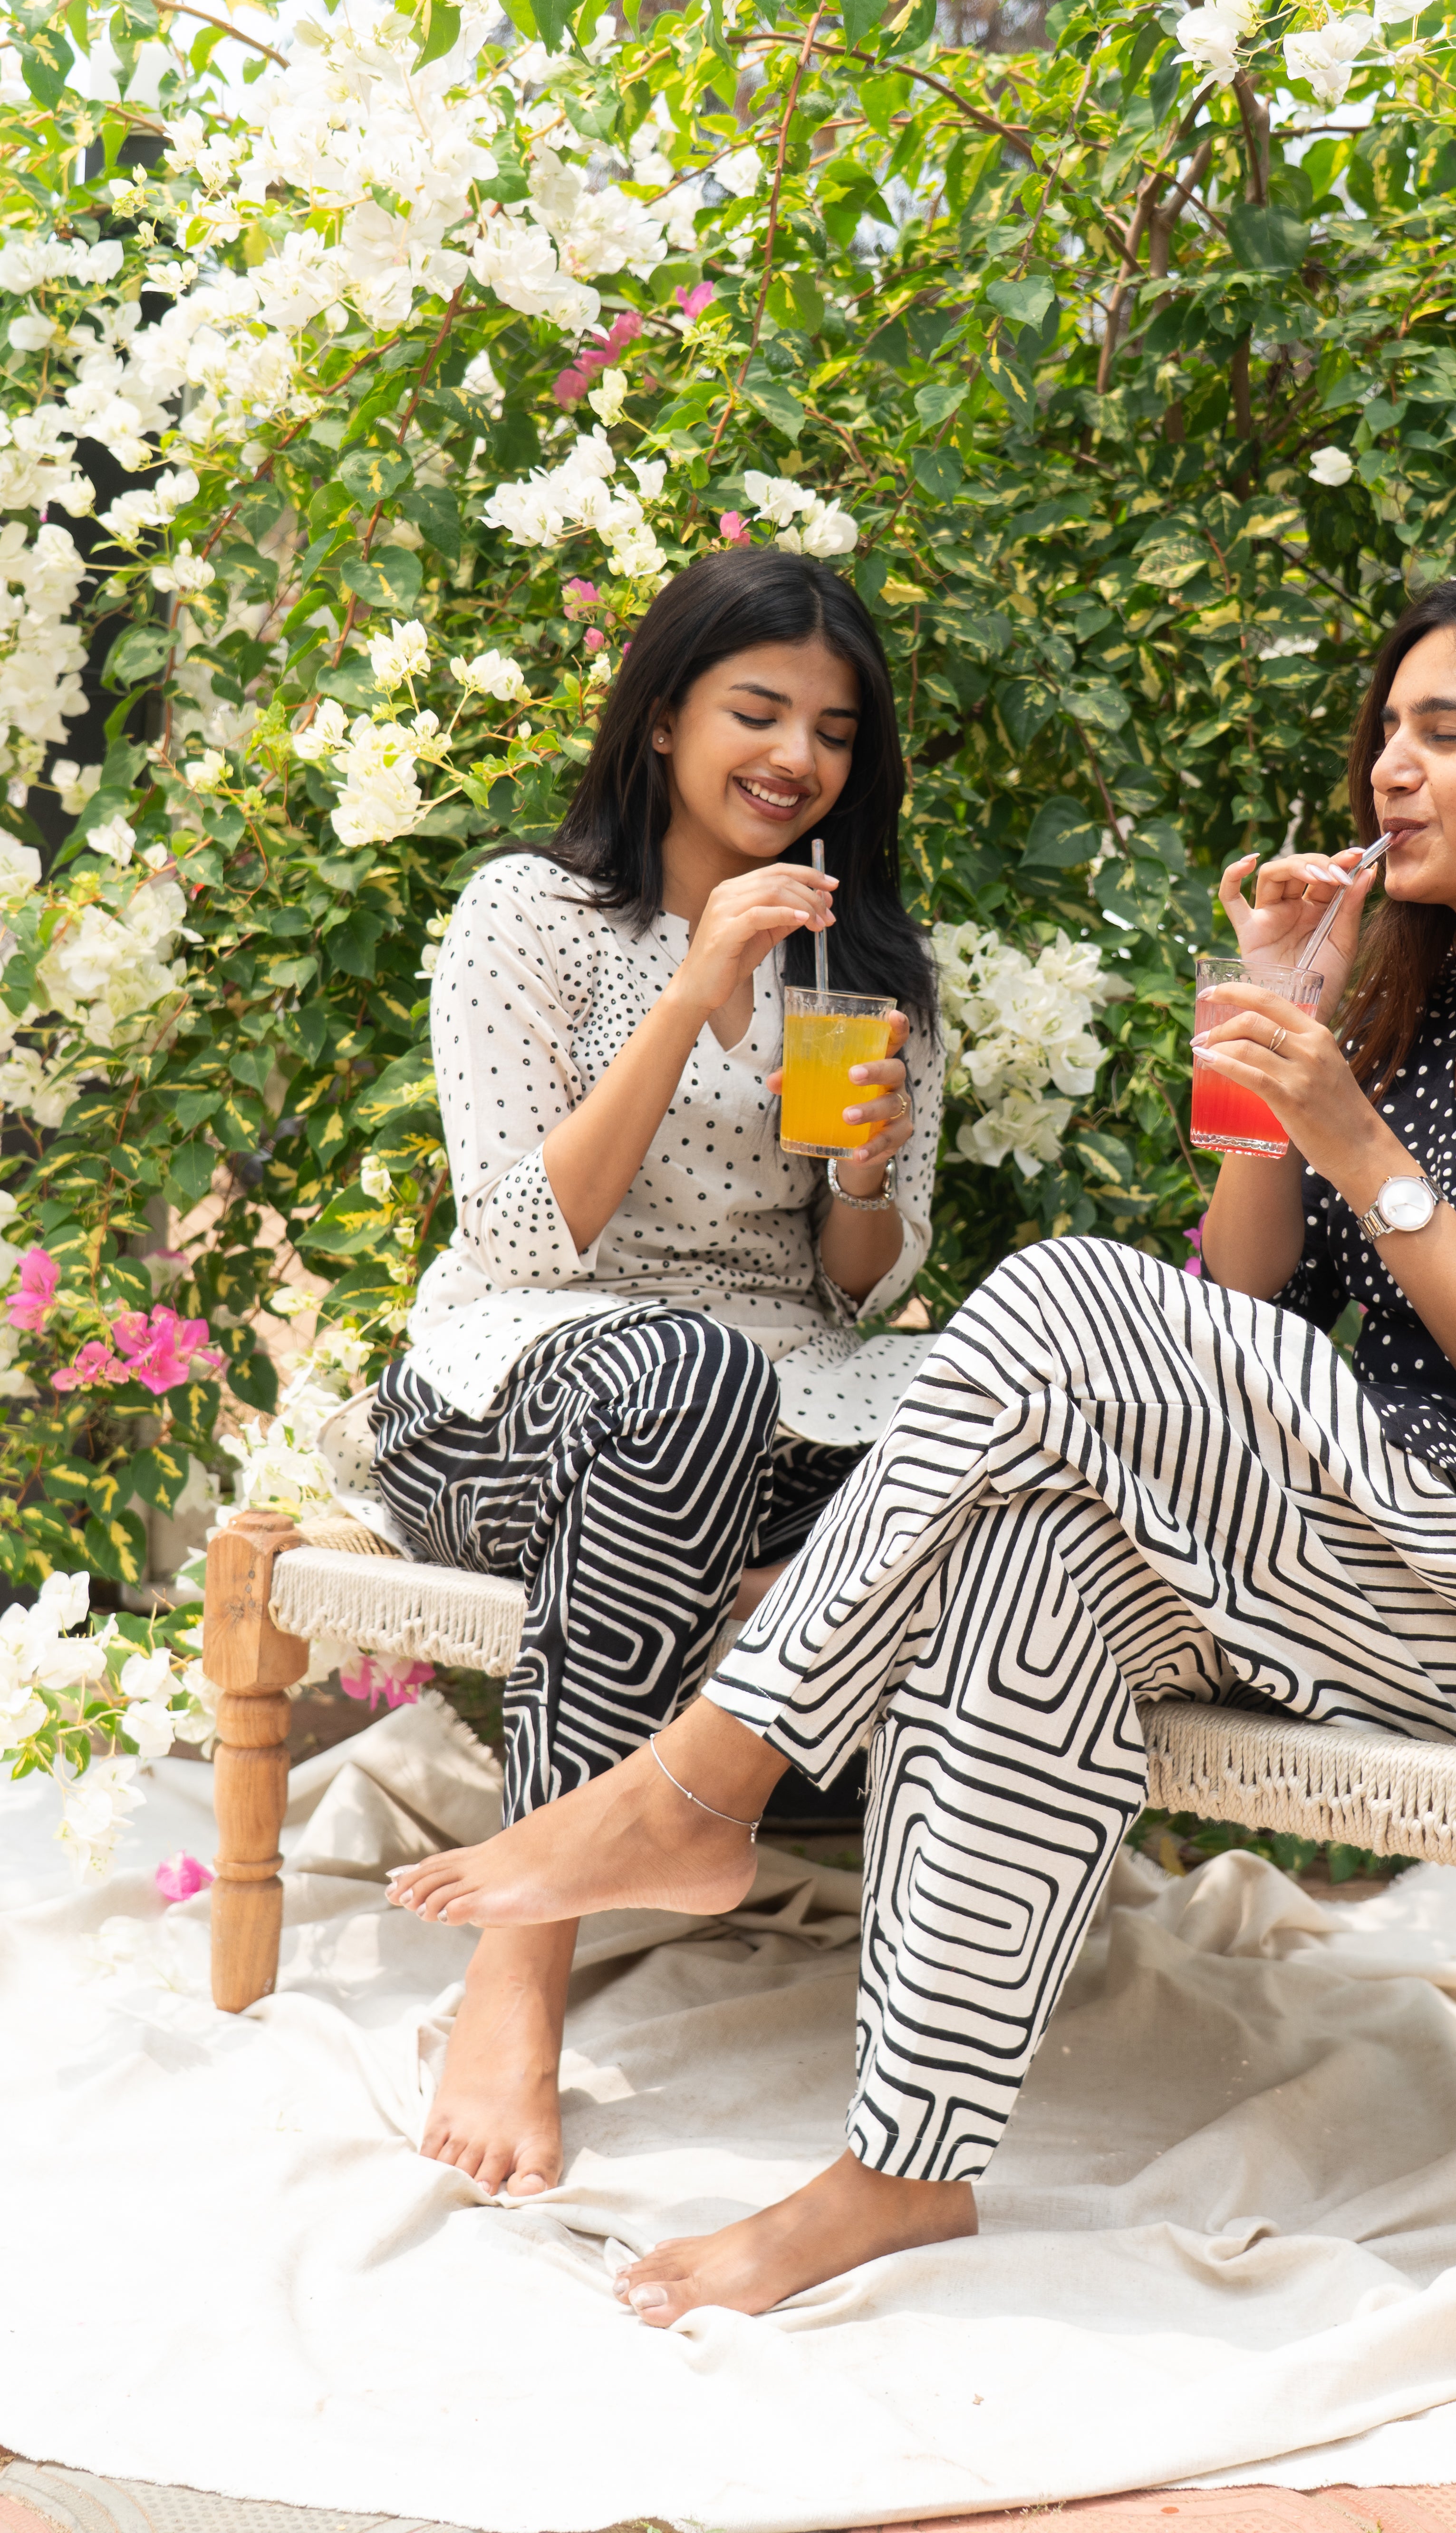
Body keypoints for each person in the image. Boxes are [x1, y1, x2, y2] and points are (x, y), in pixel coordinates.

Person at [387, 564, 1456, 2319]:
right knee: (1027, 1565)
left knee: (1062, 1297)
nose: (1390, 775)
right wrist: (1289, 1059)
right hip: (1372, 1550)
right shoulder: (1420, 1007)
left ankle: (700, 1782)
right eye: (1387, 736)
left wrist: (1359, 1142)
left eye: (1447, 735)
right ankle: (897, 2175)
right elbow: (1268, 1308)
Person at [371, 545, 944, 2201]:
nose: (795, 758)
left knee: (997, 1408)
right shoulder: (526, 916)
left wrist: (858, 1172)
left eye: (835, 731)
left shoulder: (874, 967)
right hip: (518, 1383)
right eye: (758, 709)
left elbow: (862, 1287)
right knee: (678, 1375)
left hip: (782, 1393)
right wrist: (694, 993)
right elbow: (529, 1231)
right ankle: (520, 1973)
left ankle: (757, 1589)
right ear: (668, 716)